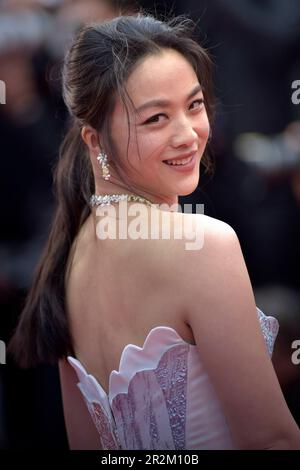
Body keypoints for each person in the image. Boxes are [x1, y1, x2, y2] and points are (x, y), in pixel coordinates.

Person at [8, 14, 300, 450]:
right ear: (95, 140)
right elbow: (272, 439)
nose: (188, 134)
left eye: (195, 105)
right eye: (155, 119)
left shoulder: (70, 252)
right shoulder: (203, 244)